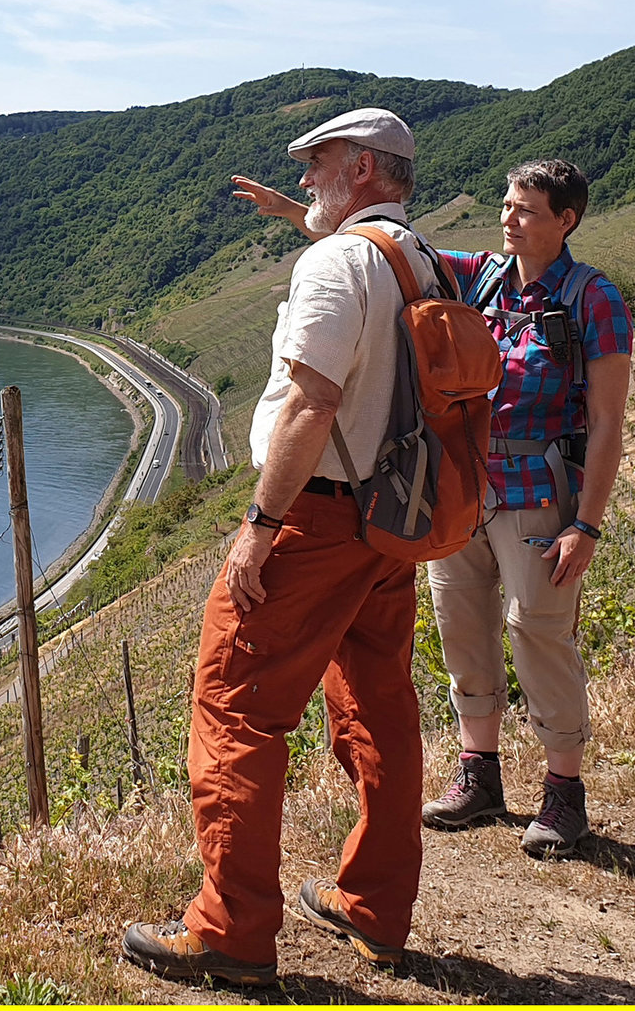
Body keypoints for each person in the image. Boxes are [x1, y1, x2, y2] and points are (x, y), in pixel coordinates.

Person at [121, 106, 446, 988]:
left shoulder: (337, 262)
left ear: (366, 169)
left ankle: (229, 930)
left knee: (233, 709)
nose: (303, 177)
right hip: (390, 521)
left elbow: (309, 404)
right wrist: (290, 215)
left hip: (315, 522)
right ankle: (376, 909)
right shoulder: (417, 254)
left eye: (318, 163)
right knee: (379, 708)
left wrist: (259, 532)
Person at [231, 158, 633, 859]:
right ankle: (479, 776)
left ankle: (563, 791)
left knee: (537, 632)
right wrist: (297, 215)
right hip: (461, 486)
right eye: (507, 206)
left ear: (565, 221)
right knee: (461, 627)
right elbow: (381, 251)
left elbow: (606, 421)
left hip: (540, 489)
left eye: (527, 211)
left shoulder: (592, 300)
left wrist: (585, 524)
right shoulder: (477, 276)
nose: (510, 220)